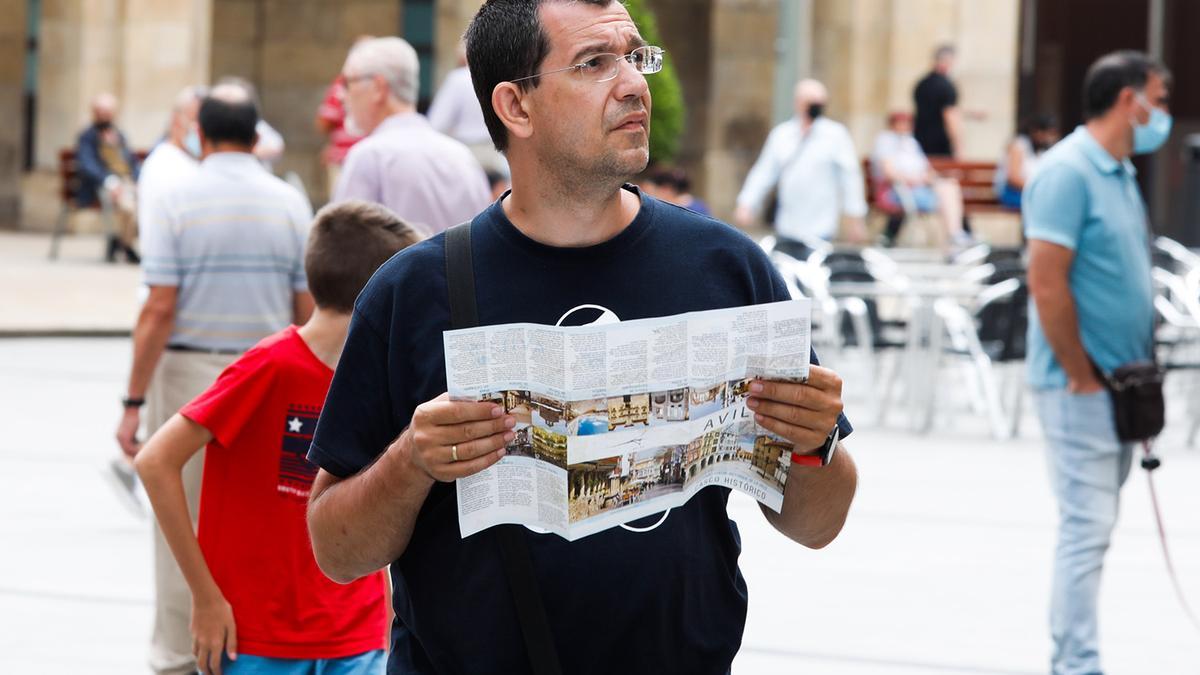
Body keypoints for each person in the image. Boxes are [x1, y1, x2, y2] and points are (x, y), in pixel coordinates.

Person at [305, 2, 858, 674]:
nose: (633, 83)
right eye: (596, 63)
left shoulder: (726, 268)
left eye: (635, 56)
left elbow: (818, 523)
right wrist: (411, 461)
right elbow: (335, 548)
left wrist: (810, 444)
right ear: (515, 106)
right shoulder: (413, 291)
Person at [135, 200, 422, 675]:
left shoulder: (377, 381)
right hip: (257, 639)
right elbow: (155, 461)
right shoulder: (268, 366)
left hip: (357, 636)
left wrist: (389, 611)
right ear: (379, 296)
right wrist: (205, 599)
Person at [115, 82, 315, 675]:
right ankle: (250, 643)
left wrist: (131, 400)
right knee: (264, 521)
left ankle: (182, 653)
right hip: (268, 375)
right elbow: (304, 306)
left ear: (199, 135)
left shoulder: (175, 198)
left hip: (191, 374)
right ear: (257, 138)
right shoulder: (287, 202)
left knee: (181, 520)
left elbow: (158, 307)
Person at [1025, 50, 1172, 675]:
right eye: (1158, 100)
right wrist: (1081, 374)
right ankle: (1076, 665)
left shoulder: (1119, 171)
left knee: (1096, 526)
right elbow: (1047, 283)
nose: (1161, 114)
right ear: (1127, 99)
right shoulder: (1068, 172)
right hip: (1078, 386)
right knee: (1087, 529)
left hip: (1120, 385)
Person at [334, 37, 492, 235]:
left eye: (347, 83)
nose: (341, 95)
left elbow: (343, 245)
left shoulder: (369, 156)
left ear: (378, 88)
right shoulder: (463, 158)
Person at [734, 78, 867, 248]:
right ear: (798, 102)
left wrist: (855, 216)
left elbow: (850, 177)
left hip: (822, 224)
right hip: (787, 223)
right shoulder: (782, 134)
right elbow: (764, 171)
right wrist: (747, 203)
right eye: (811, 103)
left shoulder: (835, 135)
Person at [870, 110, 966, 248]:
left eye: (907, 123)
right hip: (896, 192)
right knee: (946, 194)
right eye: (901, 123)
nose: (905, 126)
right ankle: (955, 234)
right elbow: (889, 173)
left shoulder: (911, 142)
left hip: (917, 190)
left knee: (949, 186)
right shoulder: (885, 140)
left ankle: (955, 234)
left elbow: (926, 170)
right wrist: (915, 180)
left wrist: (935, 178)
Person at [427, 40, 510, 176]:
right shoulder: (499, 76)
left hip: (467, 153)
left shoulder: (458, 78)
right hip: (497, 154)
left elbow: (437, 123)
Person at [76, 92, 141, 262]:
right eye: (101, 112)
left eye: (108, 112)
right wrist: (110, 182)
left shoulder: (119, 135)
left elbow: (132, 162)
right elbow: (87, 165)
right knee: (128, 207)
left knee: (145, 203)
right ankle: (126, 247)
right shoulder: (87, 136)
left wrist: (138, 180)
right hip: (102, 184)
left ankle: (119, 243)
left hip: (127, 182)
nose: (104, 116)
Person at [137, 87, 205, 242]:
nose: (200, 131)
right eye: (195, 121)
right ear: (176, 120)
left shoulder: (190, 159)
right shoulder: (165, 165)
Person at [315, 73, 366, 198]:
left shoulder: (341, 85)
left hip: (346, 159)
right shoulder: (343, 85)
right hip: (344, 159)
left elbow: (323, 124)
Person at [995, 114, 1060, 209]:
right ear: (1036, 131)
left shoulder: (1043, 150)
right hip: (1013, 192)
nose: (1049, 138)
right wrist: (1037, 189)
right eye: (1047, 133)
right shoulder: (1018, 145)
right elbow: (1013, 178)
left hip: (1033, 193)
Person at [913, 44, 963, 158]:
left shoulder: (922, 84)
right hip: (941, 145)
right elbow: (950, 116)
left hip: (920, 142)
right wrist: (959, 147)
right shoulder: (946, 86)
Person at [643, 165, 711, 216]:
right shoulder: (699, 206)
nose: (650, 197)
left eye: (651, 192)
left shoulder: (671, 213)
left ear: (666, 189)